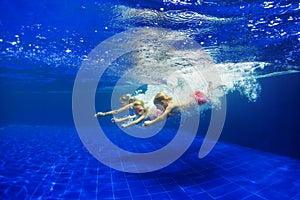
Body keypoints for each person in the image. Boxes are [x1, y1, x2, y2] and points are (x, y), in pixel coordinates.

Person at [142, 82, 213, 127]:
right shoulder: (168, 106)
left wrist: (151, 123)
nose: (157, 108)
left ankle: (210, 88)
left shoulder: (170, 106)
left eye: (157, 106)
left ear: (163, 102)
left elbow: (163, 117)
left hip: (196, 101)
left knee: (208, 97)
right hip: (191, 98)